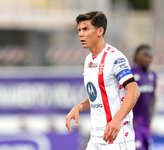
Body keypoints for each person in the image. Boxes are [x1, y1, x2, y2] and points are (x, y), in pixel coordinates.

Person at [65, 10, 140, 150]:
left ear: (100, 31)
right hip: (96, 139)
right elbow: (98, 95)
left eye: (86, 29)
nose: (81, 34)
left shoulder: (115, 58)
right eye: (79, 30)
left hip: (117, 139)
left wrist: (116, 121)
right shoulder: (88, 60)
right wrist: (79, 107)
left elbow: (134, 91)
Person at [131, 45, 157, 150]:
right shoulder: (130, 72)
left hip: (146, 125)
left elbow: (152, 98)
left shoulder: (152, 75)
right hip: (133, 124)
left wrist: (150, 119)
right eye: (145, 55)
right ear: (137, 56)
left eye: (150, 56)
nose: (148, 59)